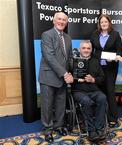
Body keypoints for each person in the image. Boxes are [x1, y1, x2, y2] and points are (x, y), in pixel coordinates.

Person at [39, 12, 74, 143]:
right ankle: (48, 130)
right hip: (48, 76)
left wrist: (72, 73)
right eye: (59, 19)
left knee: (60, 104)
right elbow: (49, 57)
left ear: (66, 22)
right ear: (54, 21)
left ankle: (59, 126)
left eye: (64, 20)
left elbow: (69, 58)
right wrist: (65, 74)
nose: (61, 21)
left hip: (62, 77)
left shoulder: (68, 38)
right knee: (47, 105)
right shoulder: (47, 35)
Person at [90, 14, 122, 127]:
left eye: (105, 22)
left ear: (109, 23)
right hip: (98, 69)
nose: (103, 24)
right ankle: (100, 116)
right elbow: (91, 50)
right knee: (99, 92)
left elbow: (120, 51)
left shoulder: (115, 34)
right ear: (99, 24)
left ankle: (113, 118)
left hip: (110, 69)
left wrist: (113, 58)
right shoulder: (95, 34)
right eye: (101, 22)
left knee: (109, 92)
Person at [72, 40, 107, 142]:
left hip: (94, 90)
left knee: (102, 98)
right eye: (84, 48)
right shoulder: (73, 61)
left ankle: (99, 128)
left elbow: (102, 78)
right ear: (79, 49)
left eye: (88, 48)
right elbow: (69, 79)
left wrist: (93, 80)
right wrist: (77, 79)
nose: (86, 50)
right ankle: (91, 131)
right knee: (86, 101)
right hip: (79, 91)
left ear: (91, 50)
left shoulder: (96, 61)